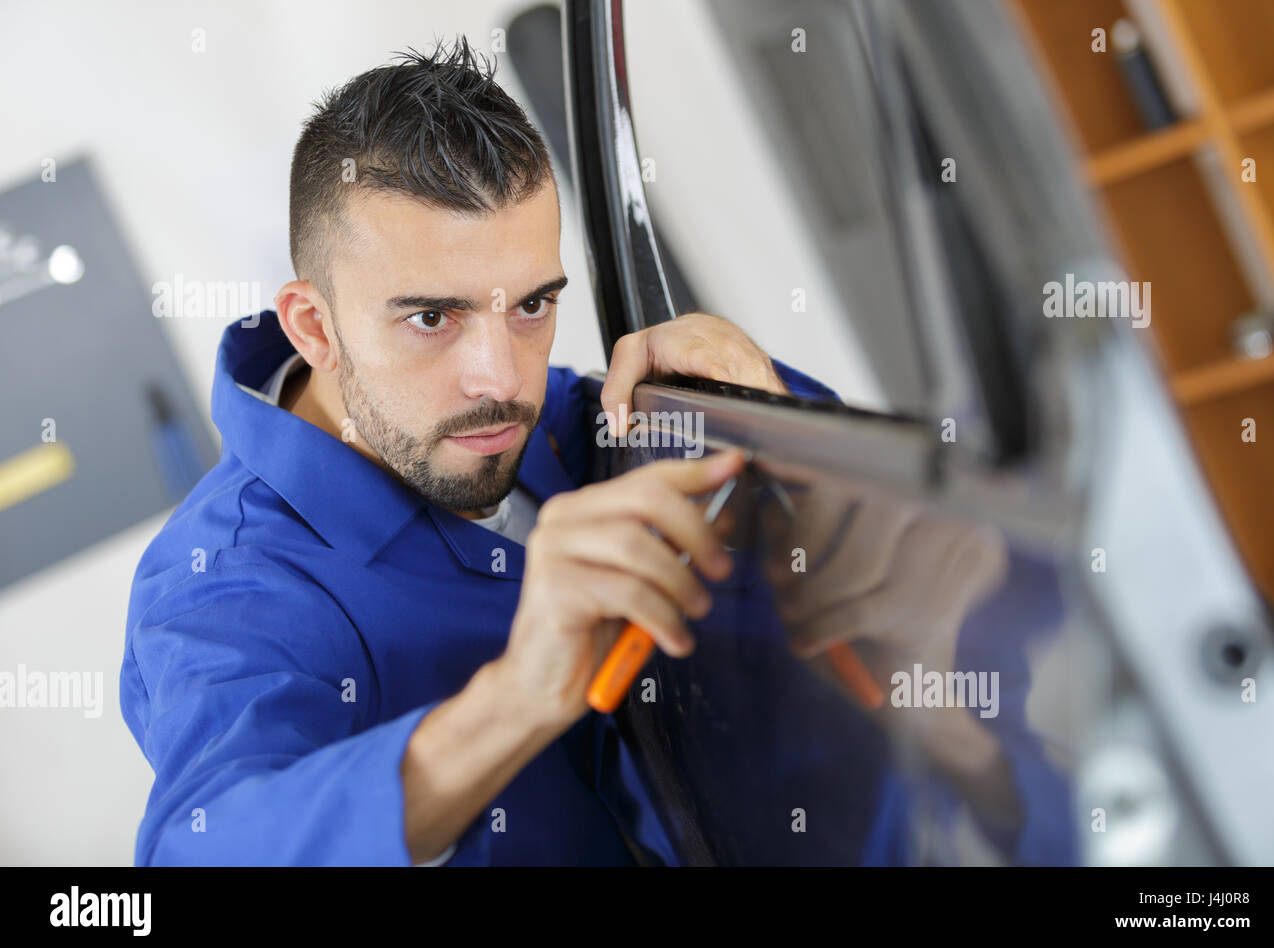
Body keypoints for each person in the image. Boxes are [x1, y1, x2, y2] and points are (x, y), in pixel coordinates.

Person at [121, 36, 1071, 866]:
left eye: (533, 303)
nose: (501, 379)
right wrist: (518, 700)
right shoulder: (227, 588)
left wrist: (773, 416)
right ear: (314, 327)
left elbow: (998, 685)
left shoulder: (614, 429)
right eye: (430, 317)